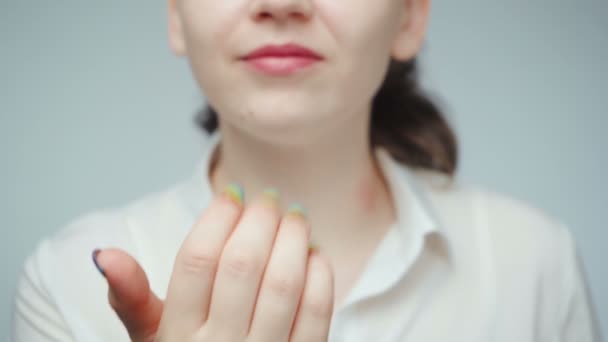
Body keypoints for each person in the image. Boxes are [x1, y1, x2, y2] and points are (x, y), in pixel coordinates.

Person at [11, 0, 602, 341]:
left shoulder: (535, 265)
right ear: (175, 15)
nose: (281, 1)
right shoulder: (67, 282)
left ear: (410, 17)